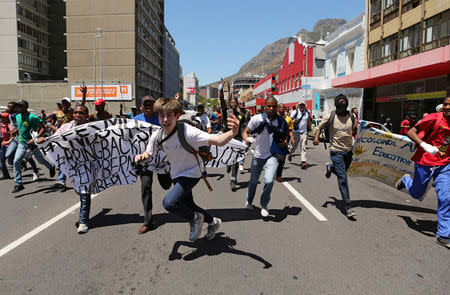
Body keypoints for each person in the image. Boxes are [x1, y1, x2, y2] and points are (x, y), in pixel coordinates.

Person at [134, 97, 240, 241]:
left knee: (169, 203)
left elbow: (218, 141)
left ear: (177, 116)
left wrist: (233, 132)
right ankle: (213, 222)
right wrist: (141, 156)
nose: (165, 119)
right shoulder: (157, 135)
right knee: (189, 204)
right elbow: (149, 153)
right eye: (161, 115)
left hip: (193, 172)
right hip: (176, 174)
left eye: (169, 115)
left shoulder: (188, 132)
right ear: (157, 116)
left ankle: (195, 219)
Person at [395, 97, 450, 249]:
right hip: (425, 162)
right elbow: (411, 132)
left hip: (445, 165)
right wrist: (425, 145)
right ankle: (406, 181)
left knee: (446, 197)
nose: (447, 107)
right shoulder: (433, 118)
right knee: (417, 195)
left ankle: (443, 235)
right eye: (445, 104)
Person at [38, 105, 94, 233]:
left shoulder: (92, 128)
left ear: (86, 115)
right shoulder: (65, 127)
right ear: (72, 114)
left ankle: (83, 221)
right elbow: (54, 139)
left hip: (86, 165)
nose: (78, 115)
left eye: (81, 113)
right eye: (75, 113)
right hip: (70, 164)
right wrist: (43, 140)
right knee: (79, 190)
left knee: (85, 192)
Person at [242, 96, 289, 217]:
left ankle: (264, 205)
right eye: (269, 106)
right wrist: (247, 140)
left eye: (274, 106)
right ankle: (249, 201)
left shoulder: (280, 121)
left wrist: (284, 143)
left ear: (277, 107)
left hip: (272, 155)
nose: (271, 108)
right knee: (253, 180)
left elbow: (285, 135)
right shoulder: (257, 119)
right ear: (264, 107)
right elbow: (245, 131)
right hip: (258, 155)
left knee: (269, 181)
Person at [313, 94, 358, 218]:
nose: (343, 103)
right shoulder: (331, 116)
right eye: (341, 101)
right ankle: (348, 205)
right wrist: (316, 138)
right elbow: (319, 127)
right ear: (337, 103)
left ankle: (330, 168)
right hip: (336, 151)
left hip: (348, 151)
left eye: (345, 101)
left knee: (342, 173)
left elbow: (354, 130)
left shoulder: (352, 116)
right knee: (342, 178)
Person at [134, 95, 172, 234]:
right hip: (145, 160)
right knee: (146, 188)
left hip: (161, 160)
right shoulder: (135, 120)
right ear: (142, 106)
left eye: (151, 104)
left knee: (166, 185)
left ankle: (168, 175)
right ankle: (148, 221)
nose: (148, 106)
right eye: (146, 104)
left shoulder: (161, 119)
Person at [11, 100, 55, 193]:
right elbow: (21, 127)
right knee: (16, 161)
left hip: (33, 143)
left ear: (26, 107)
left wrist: (36, 138)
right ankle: (18, 184)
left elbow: (44, 128)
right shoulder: (18, 116)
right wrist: (16, 131)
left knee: (40, 160)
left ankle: (51, 167)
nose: (18, 108)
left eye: (20, 106)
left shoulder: (32, 117)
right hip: (22, 142)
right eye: (17, 106)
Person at [226, 97, 246, 190]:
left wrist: (244, 139)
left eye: (235, 103)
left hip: (237, 139)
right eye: (231, 103)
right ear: (229, 104)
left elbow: (242, 128)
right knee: (229, 157)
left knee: (236, 159)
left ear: (237, 104)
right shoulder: (227, 113)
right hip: (228, 138)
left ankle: (233, 179)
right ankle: (228, 164)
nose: (233, 104)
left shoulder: (241, 115)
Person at [288, 102, 311, 169]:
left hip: (304, 132)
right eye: (300, 105)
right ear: (298, 106)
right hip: (296, 132)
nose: (302, 107)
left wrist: (309, 127)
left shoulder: (307, 112)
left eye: (303, 105)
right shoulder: (294, 112)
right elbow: (289, 121)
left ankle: (303, 161)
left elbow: (308, 120)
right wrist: (293, 122)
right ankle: (290, 154)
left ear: (305, 106)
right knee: (294, 146)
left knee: (303, 146)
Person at [276, 104, 294, 182]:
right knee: (274, 158)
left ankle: (278, 175)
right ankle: (272, 172)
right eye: (280, 107)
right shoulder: (274, 118)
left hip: (284, 140)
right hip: (274, 140)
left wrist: (292, 138)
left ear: (285, 109)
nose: (282, 109)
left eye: (283, 107)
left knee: (282, 159)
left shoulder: (288, 119)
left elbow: (289, 130)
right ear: (278, 108)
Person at [0, 112, 12, 179]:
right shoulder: (2, 125)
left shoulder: (9, 126)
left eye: (2, 117)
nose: (1, 118)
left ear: (6, 118)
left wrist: (8, 141)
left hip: (11, 145)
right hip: (4, 145)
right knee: (1, 160)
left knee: (11, 161)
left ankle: (23, 163)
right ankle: (6, 175)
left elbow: (13, 135)